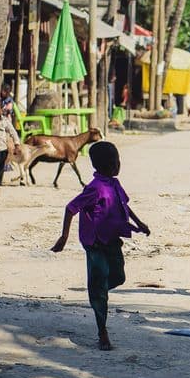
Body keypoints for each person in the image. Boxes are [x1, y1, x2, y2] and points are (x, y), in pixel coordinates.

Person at [51, 141, 150, 351]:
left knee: (118, 276)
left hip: (112, 238)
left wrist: (139, 224)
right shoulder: (94, 188)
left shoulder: (115, 184)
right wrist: (64, 236)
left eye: (118, 161)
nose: (118, 165)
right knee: (99, 286)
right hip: (95, 242)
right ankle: (102, 331)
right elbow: (71, 208)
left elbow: (124, 205)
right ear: (103, 166)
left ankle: (98, 292)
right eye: (114, 162)